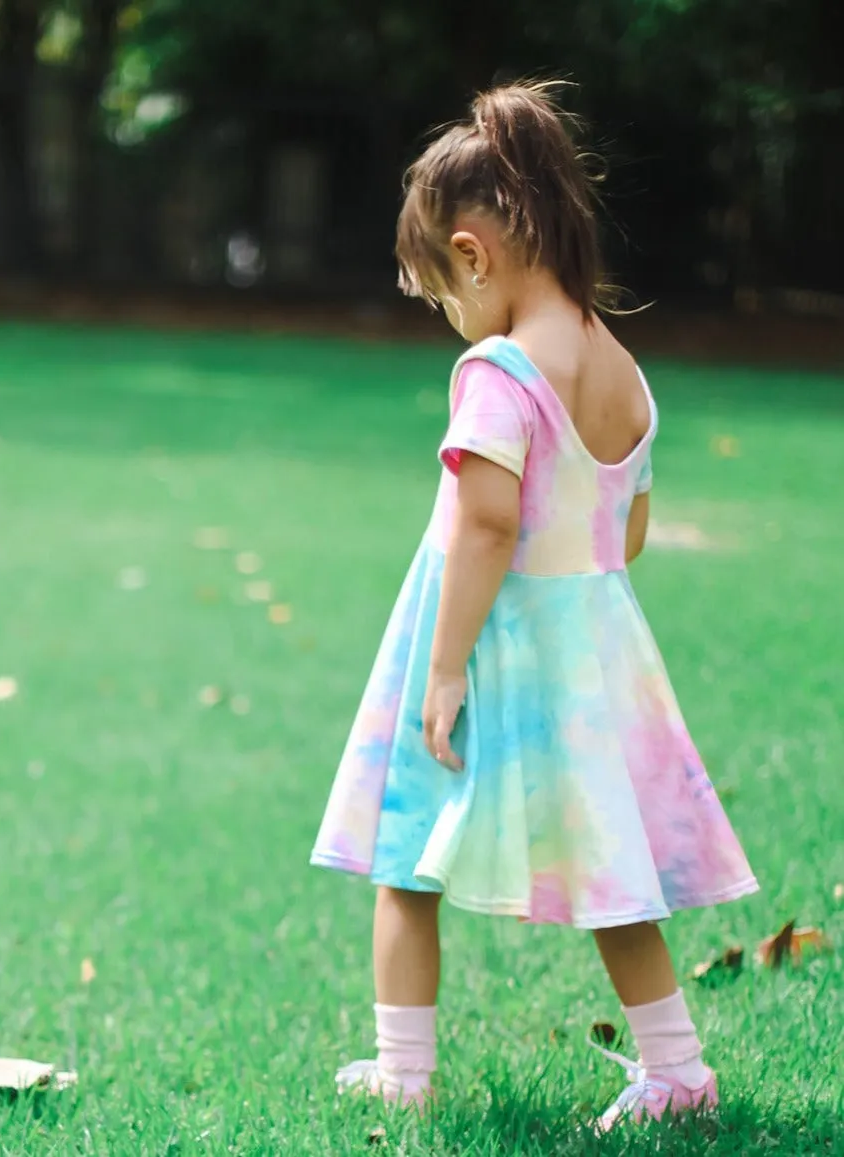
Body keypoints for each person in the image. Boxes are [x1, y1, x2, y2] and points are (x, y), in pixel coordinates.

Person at [309, 81, 758, 1130]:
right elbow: (627, 531)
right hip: (590, 651)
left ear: (472, 254)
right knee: (611, 870)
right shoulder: (619, 365)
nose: (447, 319)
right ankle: (673, 1063)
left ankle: (404, 1065)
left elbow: (483, 524)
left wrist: (447, 660)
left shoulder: (497, 372)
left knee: (402, 850)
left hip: (491, 643)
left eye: (440, 293)